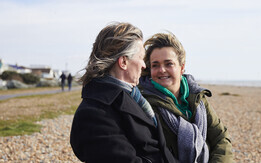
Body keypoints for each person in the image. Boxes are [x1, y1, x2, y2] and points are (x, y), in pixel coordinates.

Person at [70, 22, 178, 163]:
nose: (144, 65)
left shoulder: (133, 96)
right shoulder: (93, 114)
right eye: (141, 58)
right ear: (123, 62)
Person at [138, 32, 234, 163]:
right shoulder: (144, 102)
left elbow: (220, 137)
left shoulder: (197, 97)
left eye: (168, 64)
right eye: (155, 65)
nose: (162, 70)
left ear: (182, 67)